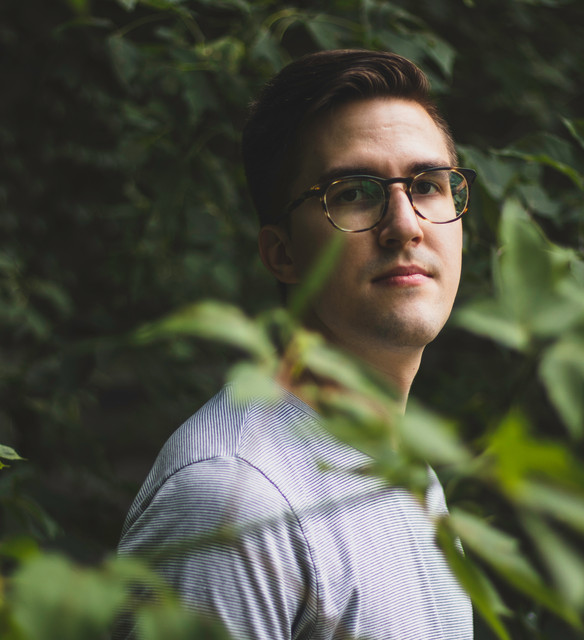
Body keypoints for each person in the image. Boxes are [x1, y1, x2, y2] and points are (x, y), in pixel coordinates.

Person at [117, 49, 476, 639]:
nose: (405, 225)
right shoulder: (235, 499)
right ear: (282, 253)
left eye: (428, 185)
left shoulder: (408, 473)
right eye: (354, 193)